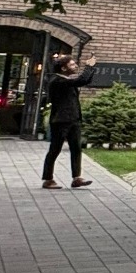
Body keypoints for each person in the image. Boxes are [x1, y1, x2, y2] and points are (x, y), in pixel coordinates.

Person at [42, 52, 98, 189]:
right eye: (72, 64)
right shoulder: (57, 81)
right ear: (63, 68)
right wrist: (88, 67)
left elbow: (85, 81)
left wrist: (92, 67)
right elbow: (81, 81)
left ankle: (77, 178)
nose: (75, 66)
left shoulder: (66, 80)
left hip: (73, 119)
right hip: (61, 120)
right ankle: (48, 179)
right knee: (55, 149)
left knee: (76, 148)